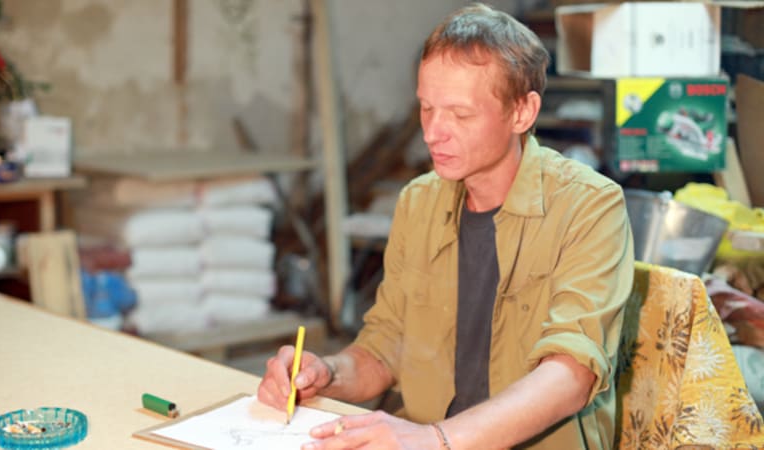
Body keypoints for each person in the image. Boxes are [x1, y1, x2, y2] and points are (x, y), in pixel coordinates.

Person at [257, 3, 634, 449]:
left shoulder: (589, 206)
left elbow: (570, 374)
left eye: (460, 114)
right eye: (426, 108)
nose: (433, 132)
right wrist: (326, 373)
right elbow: (386, 346)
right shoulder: (419, 202)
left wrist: (434, 439)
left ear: (522, 112)